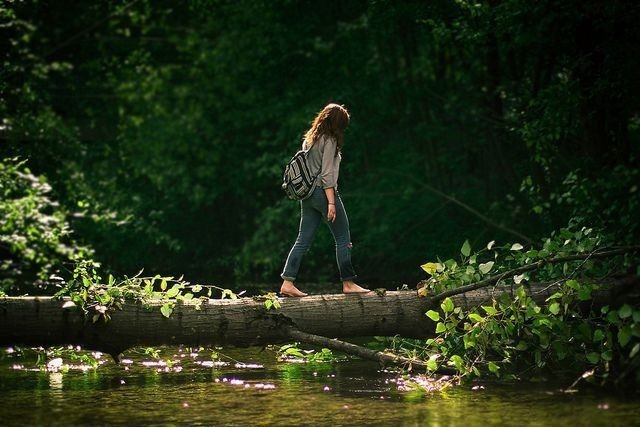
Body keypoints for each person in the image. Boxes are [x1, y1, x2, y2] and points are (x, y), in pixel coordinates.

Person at [280, 103, 370, 297]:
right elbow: (327, 174)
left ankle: (287, 283)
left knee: (302, 240)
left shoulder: (310, 139)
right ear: (338, 124)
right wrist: (331, 202)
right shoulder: (329, 140)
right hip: (323, 193)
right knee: (343, 237)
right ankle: (348, 283)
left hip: (307, 196)